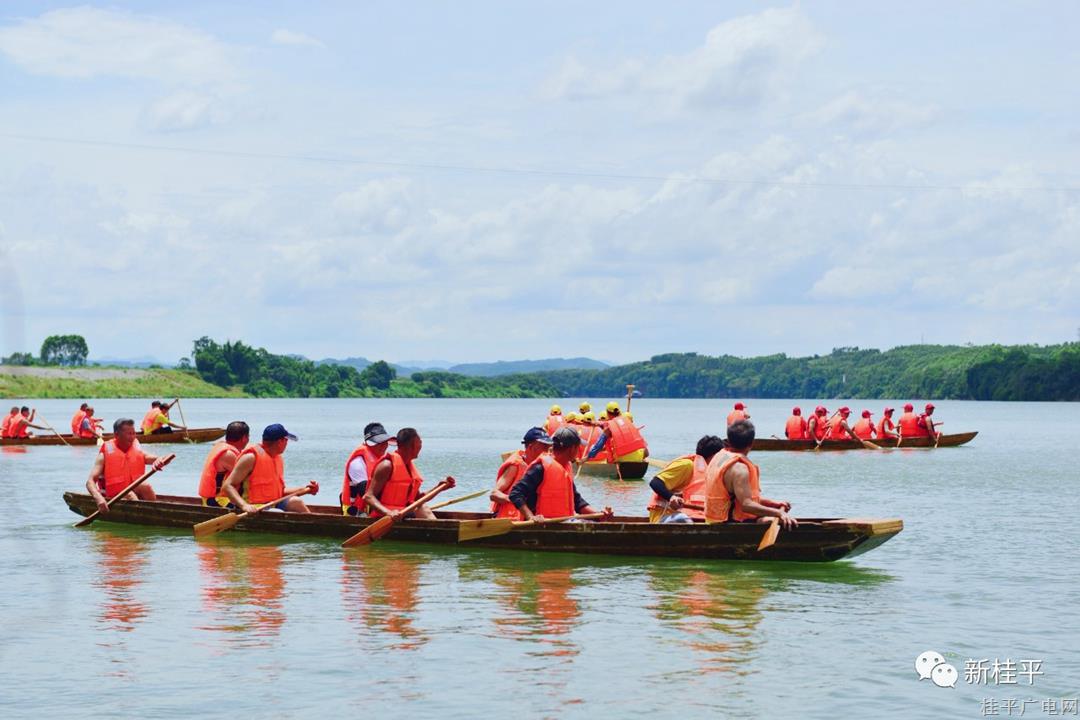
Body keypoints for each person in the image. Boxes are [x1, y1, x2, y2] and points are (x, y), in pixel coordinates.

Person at [703, 420, 796, 529]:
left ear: (728, 440)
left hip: (713, 519)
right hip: (728, 524)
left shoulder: (719, 456)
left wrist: (774, 504)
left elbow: (738, 497)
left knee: (775, 517)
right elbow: (746, 505)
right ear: (752, 443)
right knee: (781, 521)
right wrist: (779, 513)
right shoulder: (740, 469)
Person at [508, 427, 613, 521]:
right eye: (578, 447)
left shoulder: (565, 468)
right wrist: (531, 517)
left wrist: (597, 515)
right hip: (540, 525)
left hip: (562, 522)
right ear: (572, 449)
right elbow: (516, 493)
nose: (578, 451)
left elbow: (577, 502)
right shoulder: (540, 468)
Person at [222, 423, 319, 514]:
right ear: (280, 442)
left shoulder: (277, 458)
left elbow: (279, 492)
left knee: (296, 502)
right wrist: (244, 506)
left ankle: (315, 528)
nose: (287, 443)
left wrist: (305, 489)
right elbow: (227, 486)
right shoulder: (250, 458)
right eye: (286, 440)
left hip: (273, 503)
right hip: (254, 506)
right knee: (276, 513)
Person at [363, 427, 454, 520]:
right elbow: (368, 496)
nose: (421, 446)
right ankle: (438, 532)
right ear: (412, 445)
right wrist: (389, 513)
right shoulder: (387, 466)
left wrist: (438, 488)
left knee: (422, 506)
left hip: (402, 514)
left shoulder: (408, 468)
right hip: (384, 517)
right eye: (420, 443)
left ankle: (437, 531)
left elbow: (418, 500)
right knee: (422, 508)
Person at [85, 418, 168, 513]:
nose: (132, 437)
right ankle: (142, 516)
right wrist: (98, 498)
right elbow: (90, 482)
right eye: (129, 434)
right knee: (130, 495)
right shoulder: (104, 456)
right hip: (112, 495)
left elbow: (154, 458)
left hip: (131, 490)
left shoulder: (136, 450)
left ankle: (155, 514)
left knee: (146, 487)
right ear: (117, 435)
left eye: (134, 433)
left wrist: (159, 459)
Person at [646, 435, 726, 523]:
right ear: (714, 455)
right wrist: (671, 497)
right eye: (721, 456)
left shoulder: (712, 473)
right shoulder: (686, 465)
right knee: (683, 519)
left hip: (690, 518)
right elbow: (655, 482)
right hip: (663, 518)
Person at [490, 427, 553, 520]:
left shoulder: (545, 466)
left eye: (548, 447)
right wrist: (516, 500)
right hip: (512, 520)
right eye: (544, 447)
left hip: (536, 518)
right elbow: (494, 494)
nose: (547, 451)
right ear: (531, 447)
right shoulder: (515, 466)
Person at [340, 422, 393, 516]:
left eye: (385, 442)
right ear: (370, 443)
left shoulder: (382, 460)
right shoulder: (357, 462)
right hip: (356, 514)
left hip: (375, 510)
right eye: (379, 443)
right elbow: (365, 493)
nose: (384, 446)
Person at [198, 421, 250, 507]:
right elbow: (248, 476)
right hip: (217, 500)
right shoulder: (228, 454)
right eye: (248, 437)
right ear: (245, 438)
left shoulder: (223, 447)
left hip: (216, 499)